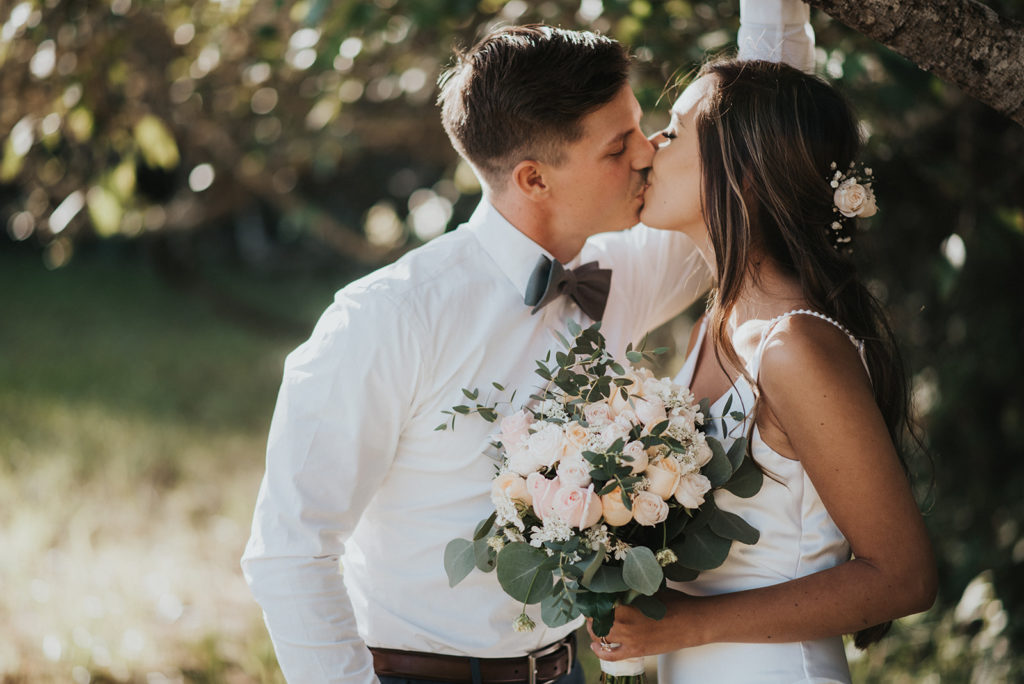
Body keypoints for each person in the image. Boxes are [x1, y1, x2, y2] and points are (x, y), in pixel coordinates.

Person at [242, 4, 814, 683]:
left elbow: (760, 129)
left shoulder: (624, 267)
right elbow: (290, 551)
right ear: (534, 179)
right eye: (616, 146)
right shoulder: (387, 318)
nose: (646, 153)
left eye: (639, 128)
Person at [588, 58, 938, 682]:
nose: (647, 151)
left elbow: (904, 577)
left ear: (742, 171)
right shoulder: (709, 332)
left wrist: (687, 625)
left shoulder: (795, 346)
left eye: (673, 131)